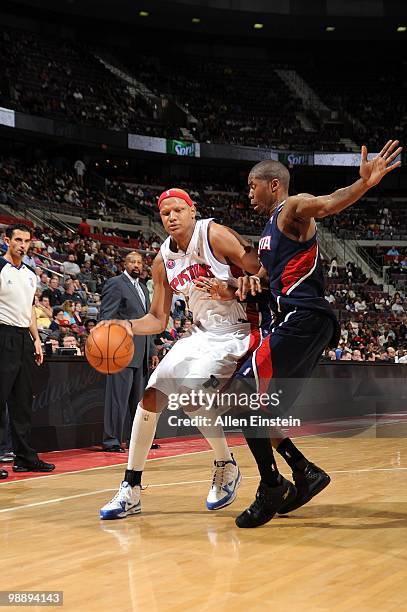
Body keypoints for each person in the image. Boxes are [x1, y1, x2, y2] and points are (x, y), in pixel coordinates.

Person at [230, 138, 402, 528]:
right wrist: (242, 284)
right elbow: (268, 275)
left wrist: (363, 185)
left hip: (302, 318)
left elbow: (327, 203)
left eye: (252, 185)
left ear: (273, 184)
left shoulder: (292, 207)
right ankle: (305, 473)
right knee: (259, 414)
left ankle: (271, 487)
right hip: (297, 322)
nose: (249, 193)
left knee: (240, 398)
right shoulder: (270, 230)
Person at [98, 188, 265, 519]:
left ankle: (225, 464)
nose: (171, 217)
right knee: (149, 399)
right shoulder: (162, 260)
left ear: (192, 211)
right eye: (165, 213)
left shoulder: (214, 235)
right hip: (201, 334)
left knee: (191, 395)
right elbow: (158, 320)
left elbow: (262, 271)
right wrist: (124, 326)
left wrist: (234, 288)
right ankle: (131, 488)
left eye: (177, 210)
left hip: (237, 332)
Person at [0, 224, 55, 477]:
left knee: (22, 402)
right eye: (18, 240)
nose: (22, 244)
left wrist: (35, 339)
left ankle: (24, 458)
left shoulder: (31, 274)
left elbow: (30, 309)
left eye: (26, 241)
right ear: (7, 240)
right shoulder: (0, 268)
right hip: (3, 334)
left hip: (23, 338)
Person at [100, 251, 159, 453]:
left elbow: (148, 323)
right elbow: (105, 317)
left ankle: (139, 440)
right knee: (117, 400)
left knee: (139, 402)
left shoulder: (143, 288)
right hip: (121, 352)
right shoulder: (116, 284)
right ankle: (112, 441)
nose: (136, 265)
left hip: (142, 353)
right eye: (132, 261)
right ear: (124, 264)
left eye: (139, 262)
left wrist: (151, 350)